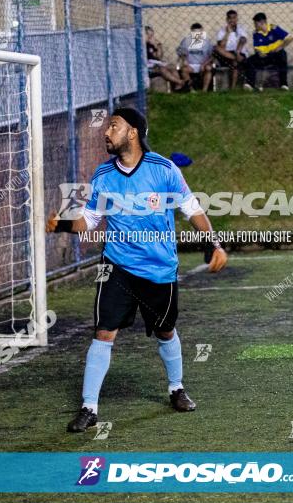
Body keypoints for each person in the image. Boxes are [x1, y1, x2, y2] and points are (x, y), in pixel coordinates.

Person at [45, 107, 228, 433]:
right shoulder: (102, 176)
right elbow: (88, 221)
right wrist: (60, 224)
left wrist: (213, 244)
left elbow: (192, 209)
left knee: (165, 331)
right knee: (104, 332)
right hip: (117, 267)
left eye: (113, 126)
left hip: (160, 270)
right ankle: (89, 407)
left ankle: (176, 388)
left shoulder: (164, 170)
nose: (106, 132)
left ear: (132, 133)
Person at [243, 12, 293, 91]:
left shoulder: (274, 28)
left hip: (276, 54)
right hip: (265, 56)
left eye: (256, 24)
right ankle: (250, 85)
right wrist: (259, 53)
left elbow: (290, 38)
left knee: (283, 55)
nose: (254, 26)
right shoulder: (256, 33)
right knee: (250, 60)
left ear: (262, 23)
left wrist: (280, 47)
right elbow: (256, 48)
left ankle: (284, 84)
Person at [214, 9, 249, 88]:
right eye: (230, 18)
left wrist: (237, 52)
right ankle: (235, 57)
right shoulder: (222, 31)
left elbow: (243, 40)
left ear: (237, 19)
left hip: (239, 52)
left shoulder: (241, 29)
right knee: (216, 48)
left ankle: (232, 87)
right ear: (227, 19)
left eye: (234, 18)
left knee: (235, 62)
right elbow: (221, 46)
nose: (232, 20)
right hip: (227, 55)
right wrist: (228, 33)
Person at [145, 26, 186, 91]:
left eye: (152, 35)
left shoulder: (151, 45)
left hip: (155, 63)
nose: (151, 37)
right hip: (147, 66)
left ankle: (178, 87)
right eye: (149, 35)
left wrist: (158, 46)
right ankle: (180, 82)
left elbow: (158, 57)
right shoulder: (141, 45)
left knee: (172, 66)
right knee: (162, 69)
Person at [176, 23, 214, 92]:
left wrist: (204, 64)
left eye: (199, 32)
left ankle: (204, 90)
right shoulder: (186, 41)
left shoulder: (207, 42)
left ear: (202, 31)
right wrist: (185, 61)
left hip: (203, 64)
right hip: (190, 65)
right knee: (184, 69)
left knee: (208, 68)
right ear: (191, 32)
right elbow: (181, 53)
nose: (197, 35)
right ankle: (191, 90)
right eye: (194, 32)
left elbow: (212, 57)